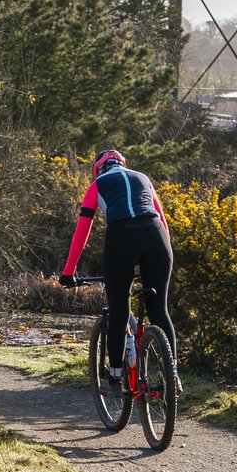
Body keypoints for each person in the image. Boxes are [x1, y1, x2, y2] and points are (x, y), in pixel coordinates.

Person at [58, 149, 177, 387]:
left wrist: (69, 271)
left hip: (121, 237)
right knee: (159, 310)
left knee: (119, 309)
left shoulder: (97, 185)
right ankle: (172, 373)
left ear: (97, 169)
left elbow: (82, 231)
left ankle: (114, 374)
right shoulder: (143, 178)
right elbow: (163, 223)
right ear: (122, 163)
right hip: (156, 238)